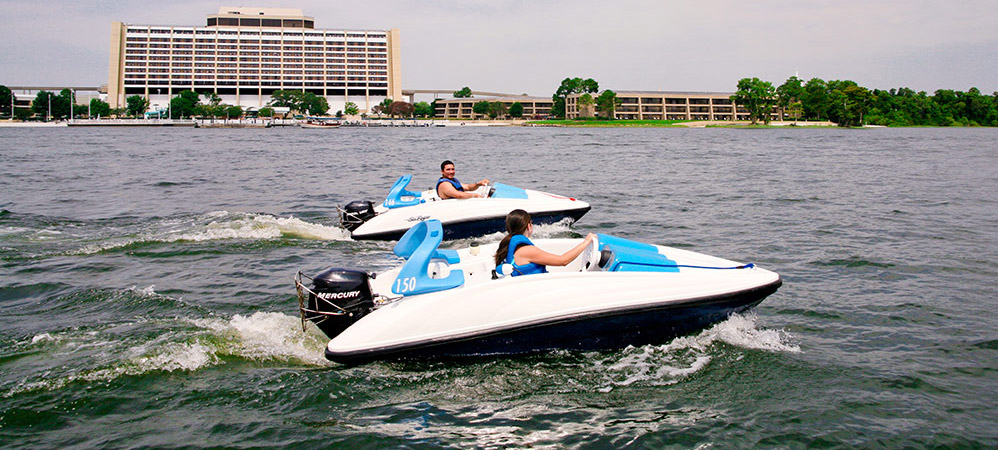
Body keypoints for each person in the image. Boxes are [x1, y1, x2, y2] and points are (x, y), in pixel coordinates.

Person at [493, 209, 596, 277]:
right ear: (529, 226)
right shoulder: (526, 250)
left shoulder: (507, 245)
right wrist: (586, 242)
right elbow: (563, 261)